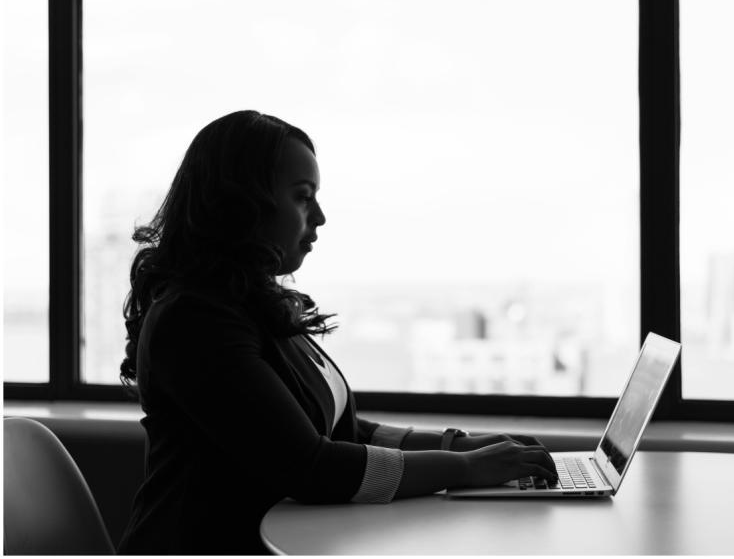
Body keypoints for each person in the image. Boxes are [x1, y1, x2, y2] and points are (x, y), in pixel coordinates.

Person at [117, 110, 558, 554]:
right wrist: (465, 468)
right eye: (302, 197)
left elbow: (342, 432)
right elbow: (310, 466)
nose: (320, 216)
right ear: (240, 204)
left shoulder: (250, 304)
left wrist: (456, 445)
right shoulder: (195, 320)